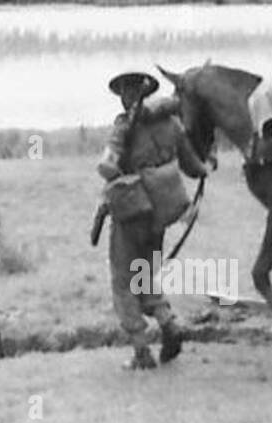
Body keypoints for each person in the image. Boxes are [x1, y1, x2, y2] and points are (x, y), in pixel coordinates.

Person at [97, 71, 211, 370]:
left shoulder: (123, 127)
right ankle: (168, 323)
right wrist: (206, 166)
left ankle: (141, 351)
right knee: (145, 274)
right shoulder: (172, 124)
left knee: (124, 282)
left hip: (132, 212)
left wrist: (114, 180)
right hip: (162, 213)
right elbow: (192, 166)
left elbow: (107, 166)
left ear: (124, 96)